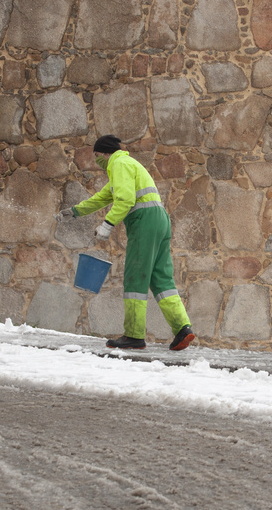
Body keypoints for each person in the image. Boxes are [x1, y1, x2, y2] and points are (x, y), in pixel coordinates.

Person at [56, 134, 195, 351]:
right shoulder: (128, 164)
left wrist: (107, 224)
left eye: (96, 156)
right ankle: (182, 328)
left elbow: (126, 199)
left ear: (103, 153)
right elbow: (102, 197)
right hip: (160, 220)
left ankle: (134, 335)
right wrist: (74, 212)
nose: (96, 161)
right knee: (161, 279)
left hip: (145, 223)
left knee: (135, 277)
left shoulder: (118, 163)